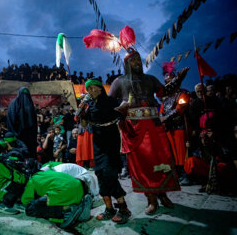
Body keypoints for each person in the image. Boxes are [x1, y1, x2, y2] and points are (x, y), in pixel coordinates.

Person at [109, 48, 186, 215]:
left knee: (161, 160)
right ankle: (151, 199)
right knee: (143, 166)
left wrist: (178, 80)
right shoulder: (119, 81)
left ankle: (163, 195)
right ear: (127, 63)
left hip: (154, 126)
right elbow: (109, 105)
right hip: (133, 129)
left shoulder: (150, 79)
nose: (137, 62)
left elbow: (164, 92)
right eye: (133, 60)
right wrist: (119, 109)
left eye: (138, 59)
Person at [76, 78, 131, 224]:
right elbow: (85, 123)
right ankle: (109, 209)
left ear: (101, 88)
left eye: (94, 88)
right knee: (99, 173)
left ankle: (123, 208)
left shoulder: (111, 101)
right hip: (98, 143)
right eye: (89, 89)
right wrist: (81, 112)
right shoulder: (89, 105)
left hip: (111, 140)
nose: (91, 91)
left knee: (109, 173)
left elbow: (123, 113)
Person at [21, 169, 92, 229]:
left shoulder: (31, 181)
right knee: (52, 194)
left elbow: (26, 201)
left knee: (30, 209)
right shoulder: (47, 171)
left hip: (65, 191)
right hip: (79, 186)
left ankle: (66, 209)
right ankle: (80, 203)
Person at [159, 62, 190, 181]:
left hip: (180, 126)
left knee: (181, 152)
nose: (168, 82)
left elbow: (180, 109)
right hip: (168, 128)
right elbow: (162, 110)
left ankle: (186, 174)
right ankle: (176, 174)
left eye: (170, 79)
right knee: (172, 153)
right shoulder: (165, 98)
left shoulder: (183, 93)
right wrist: (161, 117)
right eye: (166, 81)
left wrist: (165, 118)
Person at [6, 87, 37, 158]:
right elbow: (11, 120)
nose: (25, 98)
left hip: (29, 137)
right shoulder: (14, 104)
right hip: (17, 136)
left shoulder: (30, 105)